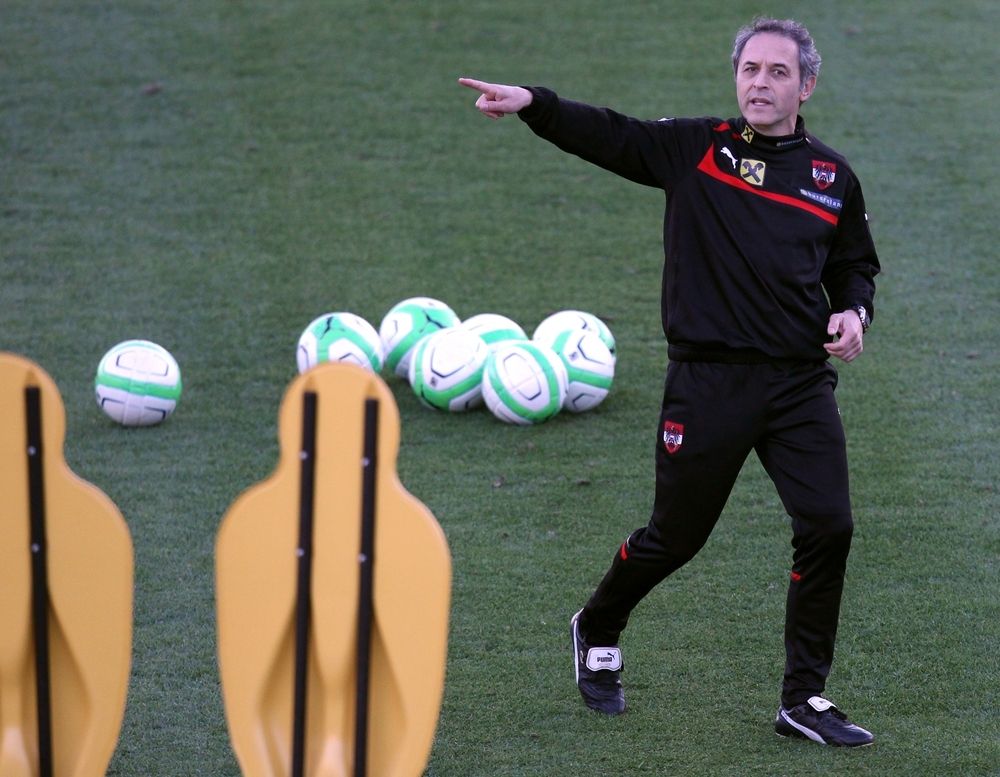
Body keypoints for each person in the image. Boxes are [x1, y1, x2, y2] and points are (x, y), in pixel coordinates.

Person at [460, 16, 880, 748]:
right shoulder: (696, 149)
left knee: (828, 526)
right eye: (750, 69)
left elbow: (854, 263)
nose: (760, 83)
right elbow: (611, 134)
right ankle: (599, 623)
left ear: (806, 86)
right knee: (676, 537)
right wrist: (534, 103)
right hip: (708, 384)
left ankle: (802, 698)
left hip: (798, 385)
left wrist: (854, 310)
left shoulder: (831, 176)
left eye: (778, 72)